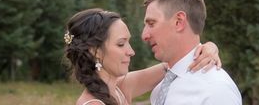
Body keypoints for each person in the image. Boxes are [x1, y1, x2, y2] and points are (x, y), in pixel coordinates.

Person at [64, 8, 222, 105]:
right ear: (95, 51)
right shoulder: (93, 103)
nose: (131, 51)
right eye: (121, 44)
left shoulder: (118, 88)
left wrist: (208, 48)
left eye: (128, 42)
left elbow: (173, 65)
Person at [141, 0, 241, 105]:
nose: (144, 35)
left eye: (151, 24)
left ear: (179, 22)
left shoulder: (216, 90)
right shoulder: (160, 88)